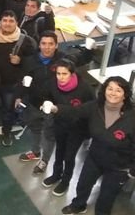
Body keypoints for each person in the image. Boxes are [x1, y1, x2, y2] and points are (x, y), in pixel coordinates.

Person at [47, 77, 135, 215]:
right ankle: (78, 205)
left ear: (125, 94)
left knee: (107, 196)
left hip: (119, 167)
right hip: (95, 157)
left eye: (118, 90)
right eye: (110, 88)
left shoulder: (132, 116)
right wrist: (54, 108)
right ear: (104, 90)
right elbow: (75, 111)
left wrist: (133, 170)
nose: (113, 93)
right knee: (83, 185)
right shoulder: (95, 107)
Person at [17, 31, 96, 174]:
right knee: (34, 129)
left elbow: (81, 59)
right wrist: (21, 92)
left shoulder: (63, 60)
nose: (47, 47)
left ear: (56, 45)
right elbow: (21, 79)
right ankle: (35, 151)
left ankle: (45, 160)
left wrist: (89, 49)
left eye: (51, 44)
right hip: (34, 104)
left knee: (49, 134)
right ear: (39, 45)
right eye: (44, 44)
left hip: (53, 107)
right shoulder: (29, 60)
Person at [41, 60, 94, 197]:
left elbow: (92, 108)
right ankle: (56, 174)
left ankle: (65, 181)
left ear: (72, 73)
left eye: (65, 74)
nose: (61, 77)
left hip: (78, 128)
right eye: (58, 73)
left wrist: (88, 131)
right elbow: (47, 96)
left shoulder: (85, 88)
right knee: (59, 152)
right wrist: (46, 103)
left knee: (69, 156)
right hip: (60, 124)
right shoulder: (53, 84)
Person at [0, 10, 37, 146]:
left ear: (16, 23)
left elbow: (32, 62)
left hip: (11, 83)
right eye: (4, 20)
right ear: (0, 22)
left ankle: (6, 132)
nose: (7, 24)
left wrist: (20, 60)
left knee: (8, 110)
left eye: (11, 21)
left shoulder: (24, 41)